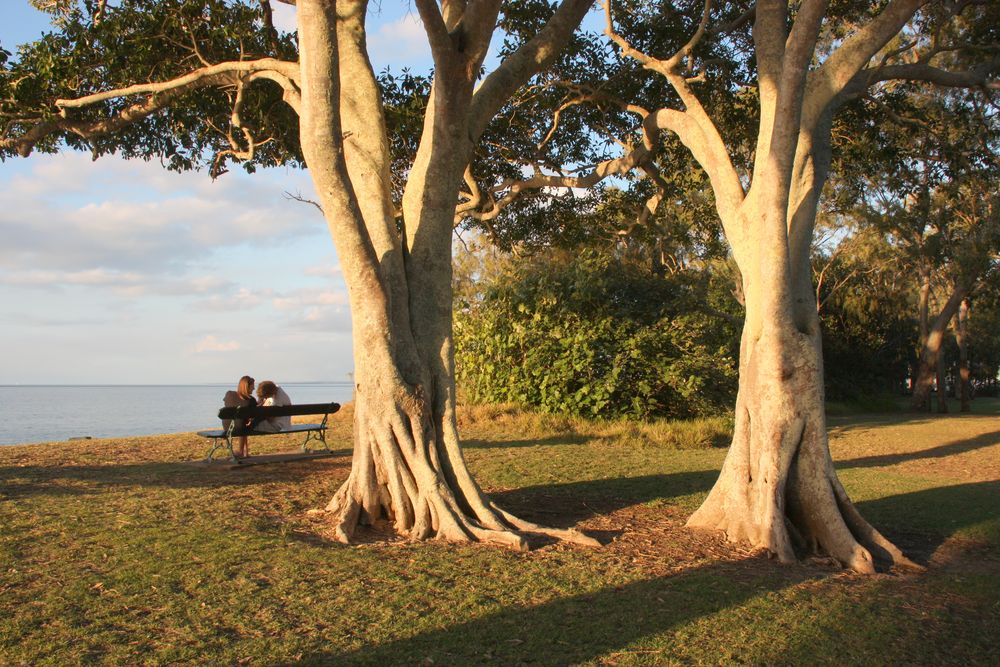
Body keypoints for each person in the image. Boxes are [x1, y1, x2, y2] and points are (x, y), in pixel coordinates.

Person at [222, 375, 257, 458]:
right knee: (244, 425)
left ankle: (244, 452)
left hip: (227, 426)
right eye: (253, 386)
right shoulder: (251, 400)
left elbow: (228, 404)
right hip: (240, 428)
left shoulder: (229, 394)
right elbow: (253, 415)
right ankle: (242, 451)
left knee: (242, 423)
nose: (254, 389)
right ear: (247, 387)